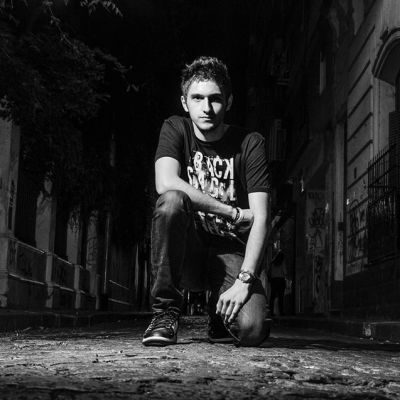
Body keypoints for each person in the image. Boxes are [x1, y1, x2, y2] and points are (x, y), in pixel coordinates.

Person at [142, 56, 271, 347]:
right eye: (197, 98)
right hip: (188, 250)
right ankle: (165, 312)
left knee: (252, 329)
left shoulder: (251, 143)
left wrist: (244, 281)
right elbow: (166, 183)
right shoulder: (176, 128)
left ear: (229, 102)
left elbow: (261, 217)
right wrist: (231, 212)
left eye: (215, 99)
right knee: (171, 202)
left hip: (230, 253)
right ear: (185, 102)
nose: (207, 108)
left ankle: (218, 313)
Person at [268, 251, 287, 317]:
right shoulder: (282, 263)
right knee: (280, 297)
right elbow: (285, 272)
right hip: (281, 280)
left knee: (272, 296)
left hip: (274, 280)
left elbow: (269, 272)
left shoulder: (272, 263)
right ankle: (281, 312)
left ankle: (271, 312)